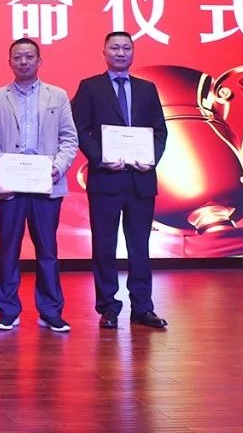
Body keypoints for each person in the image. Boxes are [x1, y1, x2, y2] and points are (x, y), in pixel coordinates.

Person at [71, 31, 170, 329]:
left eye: (126, 48)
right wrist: (100, 158)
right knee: (104, 246)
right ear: (104, 52)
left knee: (139, 246)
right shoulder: (90, 87)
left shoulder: (147, 89)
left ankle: (143, 307)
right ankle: (108, 307)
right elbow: (79, 129)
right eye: (115, 48)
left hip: (141, 180)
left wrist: (150, 158)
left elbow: (160, 131)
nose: (121, 53)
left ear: (133, 53)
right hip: (105, 180)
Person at [0, 38, 79, 333]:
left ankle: (50, 311)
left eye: (29, 56)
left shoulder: (57, 95)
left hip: (46, 185)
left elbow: (69, 139)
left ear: (39, 60)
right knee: (8, 250)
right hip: (9, 187)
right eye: (17, 57)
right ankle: (8, 311)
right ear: (9, 62)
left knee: (47, 251)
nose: (23, 61)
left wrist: (57, 168)